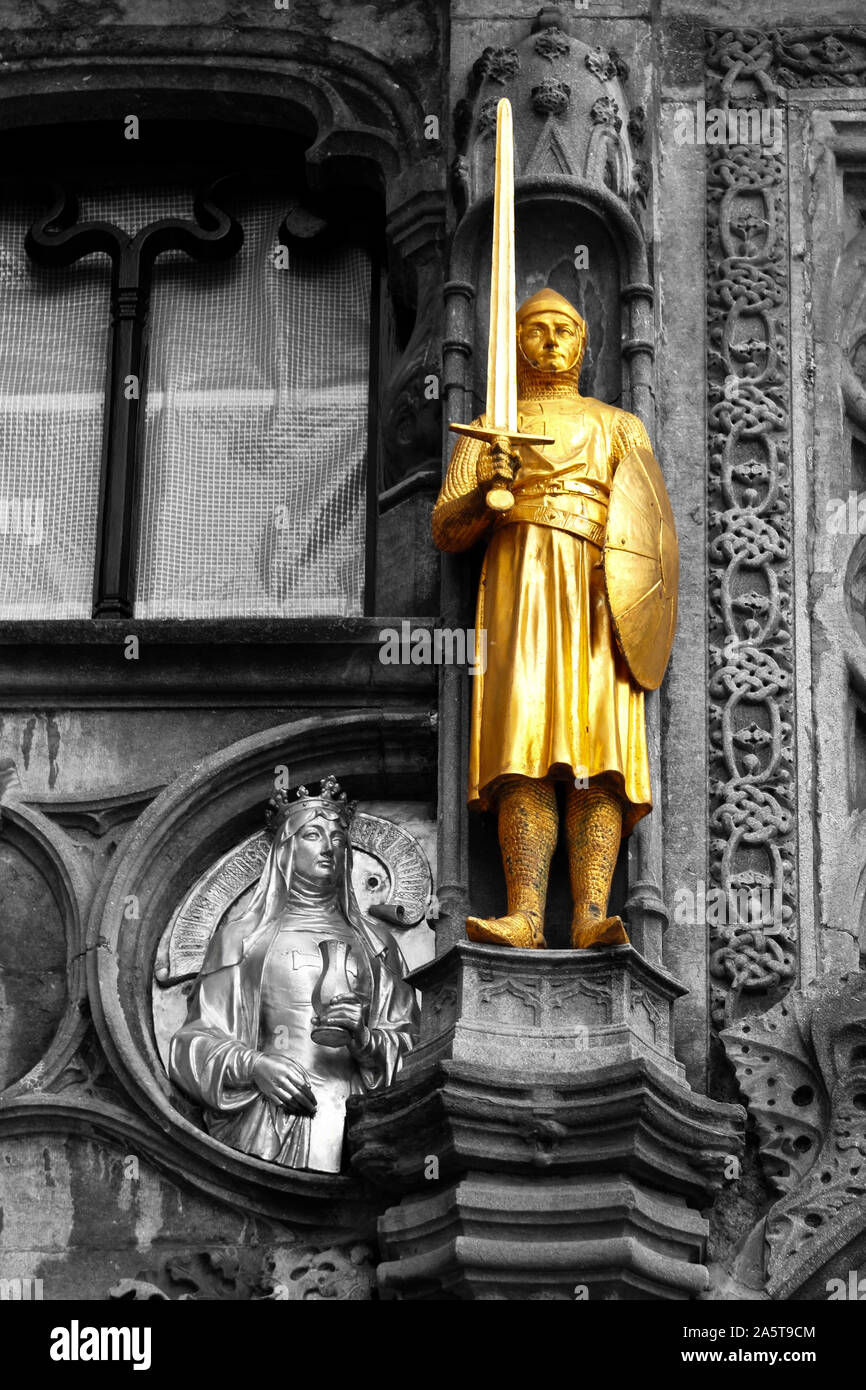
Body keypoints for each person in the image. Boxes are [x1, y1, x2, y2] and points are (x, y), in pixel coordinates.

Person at [433, 287, 653, 951]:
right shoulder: (490, 426)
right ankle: (525, 913)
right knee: (522, 750)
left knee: (599, 756)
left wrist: (628, 602)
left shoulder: (618, 426)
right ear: (516, 342)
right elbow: (447, 528)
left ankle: (590, 911)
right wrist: (485, 490)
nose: (551, 341)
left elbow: (649, 532)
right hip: (519, 587)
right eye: (536, 330)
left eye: (564, 330)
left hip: (598, 594)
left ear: (583, 344)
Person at [170, 776, 419, 1172]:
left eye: (338, 840)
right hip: (269, 1118)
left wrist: (367, 1040)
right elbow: (192, 1043)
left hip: (359, 1125)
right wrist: (254, 1067)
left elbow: (416, 1047)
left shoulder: (377, 944)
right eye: (313, 835)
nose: (328, 848)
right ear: (285, 850)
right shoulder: (242, 939)